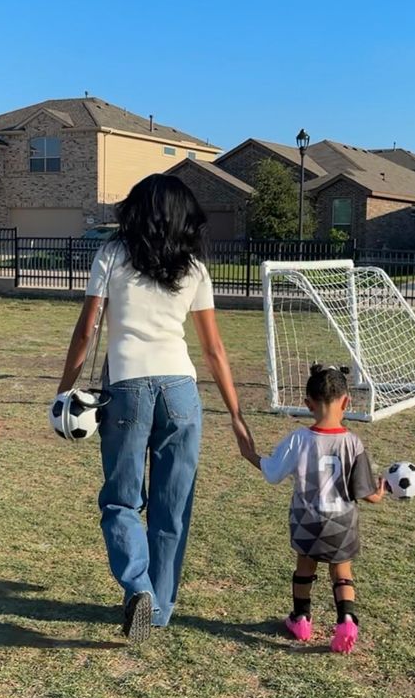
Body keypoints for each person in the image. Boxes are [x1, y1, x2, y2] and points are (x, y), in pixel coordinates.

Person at [53, 174, 254, 643]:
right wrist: (238, 416)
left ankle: (137, 588)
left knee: (122, 500)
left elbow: (86, 332)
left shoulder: (111, 255)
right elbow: (215, 350)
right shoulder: (195, 269)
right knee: (172, 507)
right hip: (181, 390)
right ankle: (158, 609)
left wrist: (63, 392)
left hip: (126, 387)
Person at [241, 364, 384, 653]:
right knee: (341, 572)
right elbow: (366, 493)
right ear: (347, 402)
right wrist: (380, 493)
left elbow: (272, 473)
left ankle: (301, 619)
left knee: (304, 568)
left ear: (308, 404)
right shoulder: (353, 443)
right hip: (342, 524)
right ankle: (345, 619)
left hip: (307, 522)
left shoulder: (298, 439)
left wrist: (250, 455)